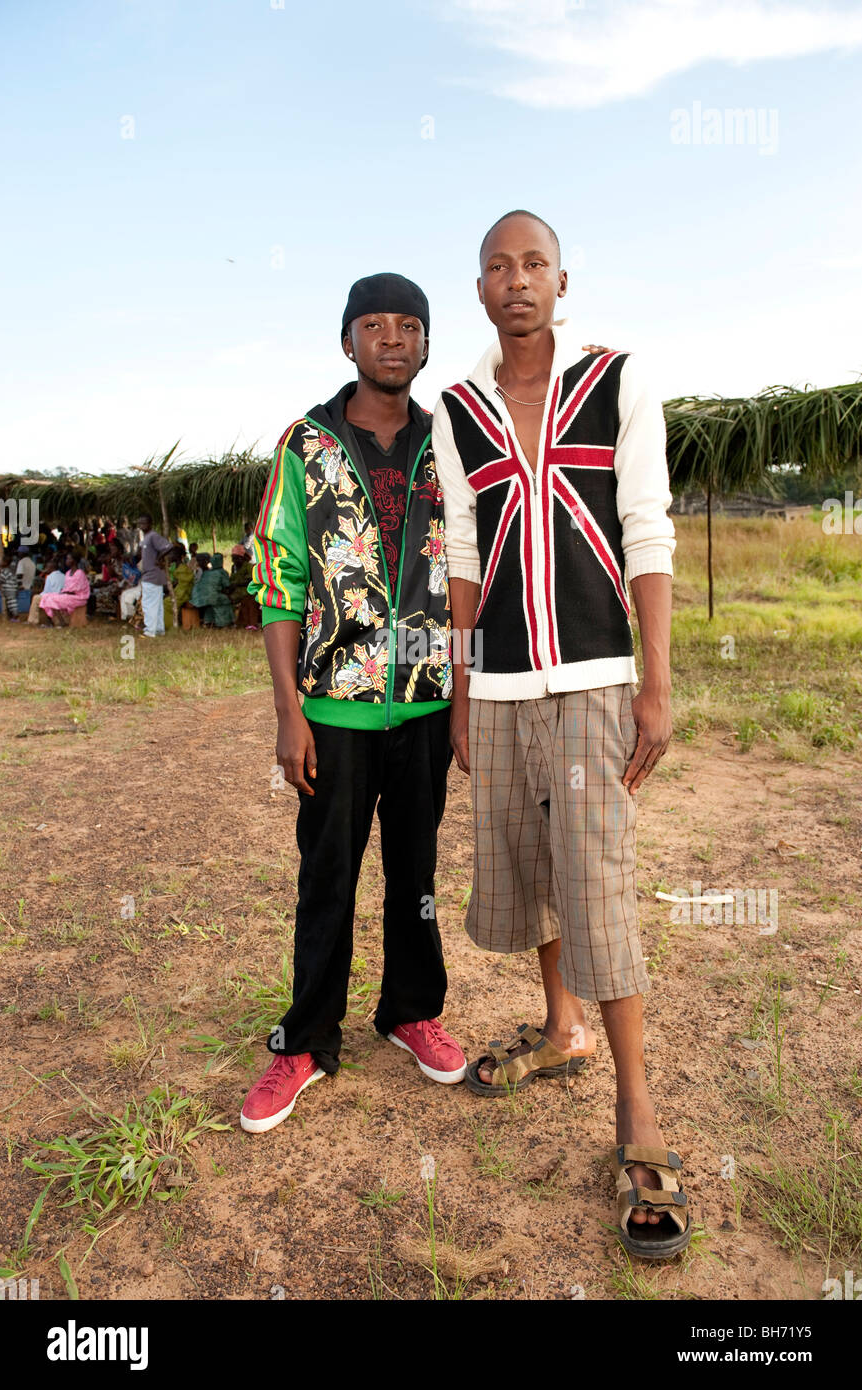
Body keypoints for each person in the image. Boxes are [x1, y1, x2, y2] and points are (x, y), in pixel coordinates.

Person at [433, 211, 688, 1260]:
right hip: (493, 679)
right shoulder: (459, 407)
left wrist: (656, 680)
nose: (517, 279)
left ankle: (636, 1111)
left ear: (561, 279)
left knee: (594, 877)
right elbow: (456, 541)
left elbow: (647, 526)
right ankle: (560, 1028)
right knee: (528, 863)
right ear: (481, 290)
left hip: (592, 675)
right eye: (498, 266)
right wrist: (455, 682)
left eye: (533, 262)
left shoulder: (618, 380)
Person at [240, 272, 464, 1135]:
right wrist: (289, 713)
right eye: (374, 324)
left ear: (425, 344)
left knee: (416, 873)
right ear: (347, 343)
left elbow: (470, 566)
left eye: (409, 325)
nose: (393, 338)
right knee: (326, 874)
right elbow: (277, 577)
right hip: (332, 708)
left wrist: (465, 691)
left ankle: (410, 1011)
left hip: (425, 704)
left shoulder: (449, 442)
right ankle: (302, 1041)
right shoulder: (305, 445)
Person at [136, 514, 172, 637]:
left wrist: (159, 558)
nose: (142, 526)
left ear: (150, 523)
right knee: (157, 605)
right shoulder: (145, 537)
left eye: (144, 523)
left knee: (148, 604)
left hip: (152, 575)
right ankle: (158, 629)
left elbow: (168, 546)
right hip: (150, 575)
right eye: (140, 523)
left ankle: (150, 631)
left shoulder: (153, 536)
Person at [39, 554, 90, 625]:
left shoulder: (80, 573)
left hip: (78, 597)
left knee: (52, 599)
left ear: (74, 561)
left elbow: (77, 590)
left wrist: (64, 593)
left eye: (69, 559)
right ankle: (54, 621)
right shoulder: (67, 573)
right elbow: (66, 587)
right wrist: (63, 592)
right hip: (68, 595)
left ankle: (60, 622)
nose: (67, 561)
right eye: (67, 559)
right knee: (47, 596)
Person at [190, 552, 234, 627]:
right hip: (212, 597)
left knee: (210, 603)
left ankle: (208, 621)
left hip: (197, 598)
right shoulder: (222, 572)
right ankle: (224, 622)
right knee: (225, 599)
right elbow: (227, 586)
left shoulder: (207, 572)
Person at [228, 543, 260, 628]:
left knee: (230, 599)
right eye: (233, 558)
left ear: (241, 558)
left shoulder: (248, 567)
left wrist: (237, 583)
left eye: (235, 558)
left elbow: (251, 579)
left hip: (246, 590)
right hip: (236, 589)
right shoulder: (233, 567)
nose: (234, 561)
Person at [164, 543, 195, 629]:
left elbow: (183, 588)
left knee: (165, 603)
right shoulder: (176, 567)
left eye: (171, 554)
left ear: (176, 555)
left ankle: (170, 626)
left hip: (183, 595)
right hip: (178, 592)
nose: (169, 556)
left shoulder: (183, 569)